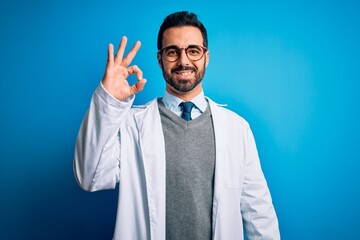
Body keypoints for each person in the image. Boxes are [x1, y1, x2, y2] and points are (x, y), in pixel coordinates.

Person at [74, 11, 280, 240]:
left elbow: (259, 214)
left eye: (193, 51)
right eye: (172, 52)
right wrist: (109, 102)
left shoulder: (237, 129)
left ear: (206, 57)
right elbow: (90, 177)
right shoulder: (131, 124)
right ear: (160, 59)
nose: (184, 61)